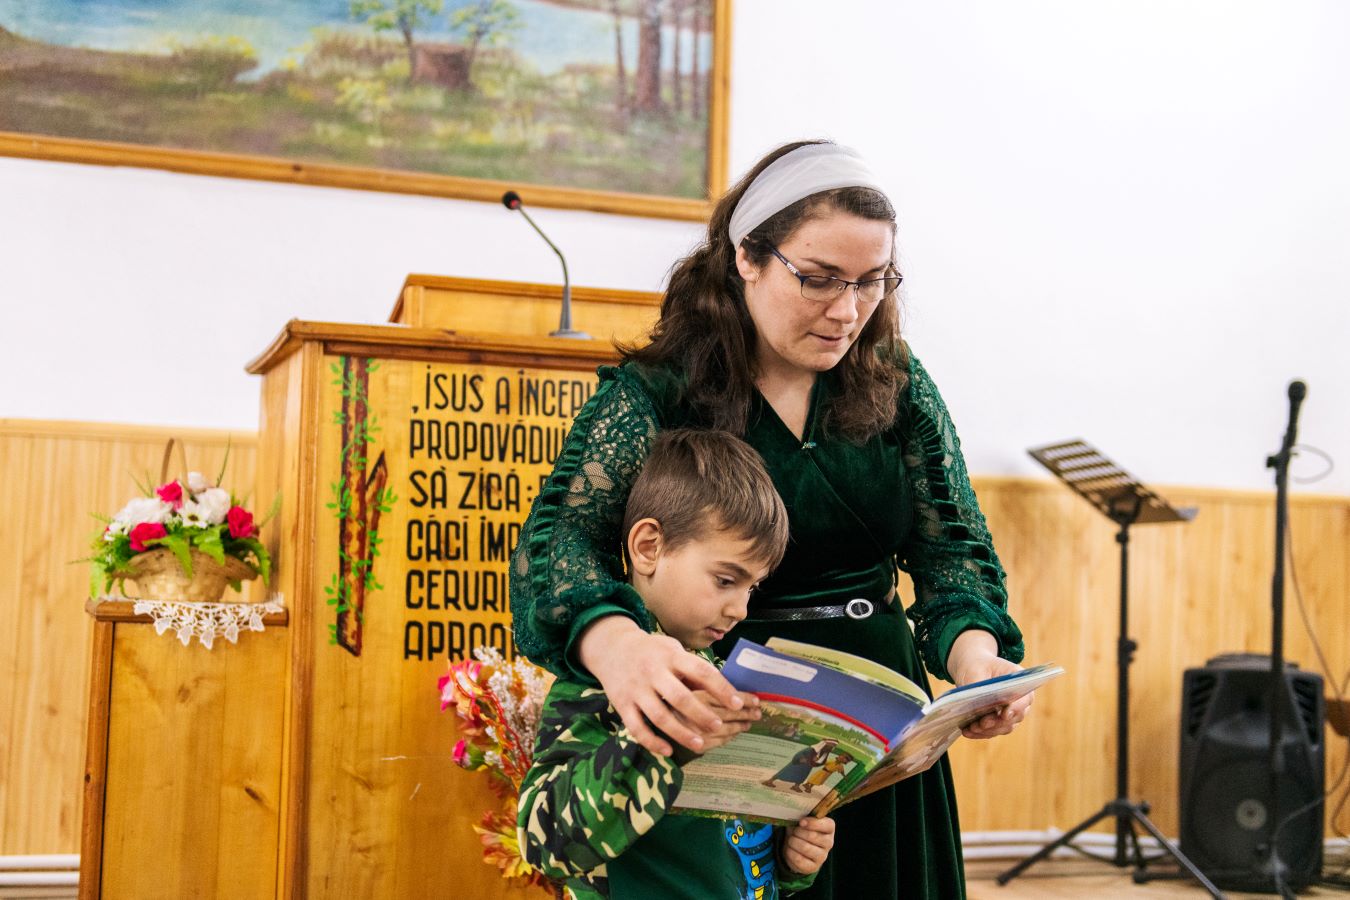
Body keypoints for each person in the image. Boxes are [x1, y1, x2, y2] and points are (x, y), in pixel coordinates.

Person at [510, 140, 1030, 900]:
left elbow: (953, 551)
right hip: (740, 710)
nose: (848, 310)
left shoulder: (898, 384)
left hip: (880, 713)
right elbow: (559, 542)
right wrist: (621, 650)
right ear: (746, 257)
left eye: (872, 282)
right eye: (818, 279)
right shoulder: (658, 392)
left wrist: (976, 661)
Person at [517, 428, 837, 900]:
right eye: (726, 579)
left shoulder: (721, 673)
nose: (741, 609)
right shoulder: (602, 681)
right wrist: (659, 739)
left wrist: (787, 858)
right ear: (649, 547)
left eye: (751, 588)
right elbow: (544, 843)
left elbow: (727, 844)